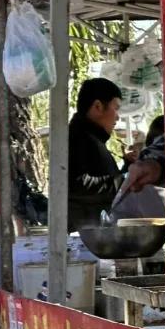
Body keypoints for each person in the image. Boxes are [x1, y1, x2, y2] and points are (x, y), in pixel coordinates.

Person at [67, 77, 124, 230]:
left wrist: (127, 169)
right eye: (116, 108)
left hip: (94, 233)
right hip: (84, 235)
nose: (118, 117)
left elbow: (101, 178)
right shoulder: (78, 137)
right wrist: (122, 180)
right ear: (98, 106)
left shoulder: (90, 137)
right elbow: (77, 184)